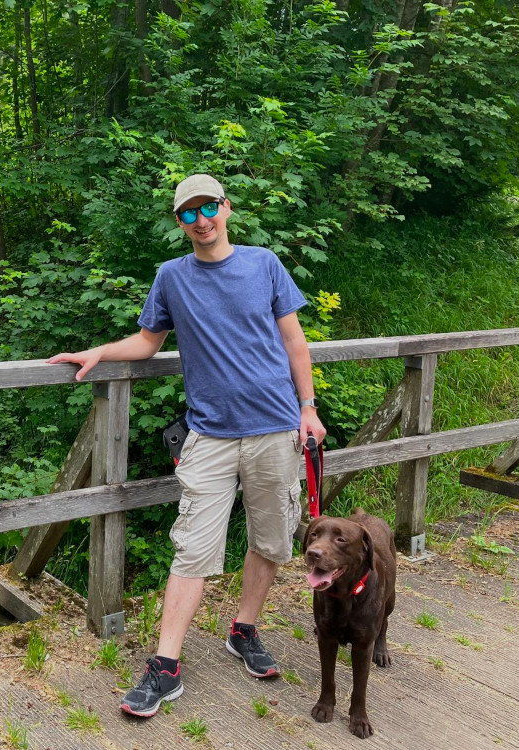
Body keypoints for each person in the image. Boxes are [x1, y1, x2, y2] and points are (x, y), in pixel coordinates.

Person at [47, 173, 326, 718]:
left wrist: (308, 408)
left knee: (270, 541)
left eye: (208, 209)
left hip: (275, 428)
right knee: (193, 548)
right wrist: (98, 352)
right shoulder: (171, 277)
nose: (201, 221)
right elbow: (148, 343)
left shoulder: (264, 263)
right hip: (210, 435)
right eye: (188, 214)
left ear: (225, 207)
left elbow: (294, 339)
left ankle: (244, 630)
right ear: (179, 223)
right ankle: (165, 666)